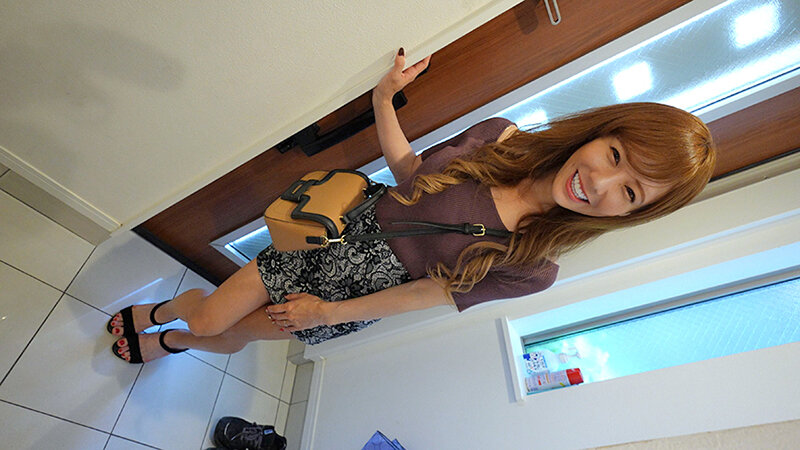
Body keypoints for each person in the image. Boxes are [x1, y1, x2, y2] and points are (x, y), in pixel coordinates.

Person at [108, 48, 716, 362]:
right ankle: (171, 313)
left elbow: (426, 294)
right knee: (214, 318)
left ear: (630, 214)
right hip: (333, 241)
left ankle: (175, 344)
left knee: (238, 334)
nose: (601, 184)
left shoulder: (534, 267)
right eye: (615, 155)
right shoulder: (501, 137)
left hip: (352, 298)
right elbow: (411, 176)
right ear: (599, 132)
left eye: (630, 192)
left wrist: (326, 313)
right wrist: (383, 100)